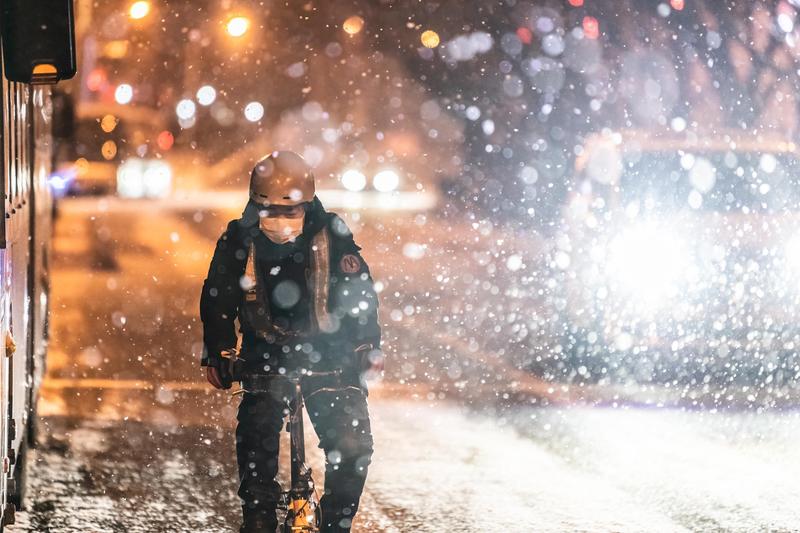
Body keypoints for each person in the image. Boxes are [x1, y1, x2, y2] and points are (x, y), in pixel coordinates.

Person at [200, 151, 382, 533]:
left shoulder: (332, 233)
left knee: (352, 446)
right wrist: (218, 352)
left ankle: (337, 523)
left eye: (290, 212)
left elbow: (359, 294)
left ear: (307, 204)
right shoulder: (238, 237)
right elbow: (219, 295)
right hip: (264, 356)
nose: (280, 223)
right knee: (257, 435)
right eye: (270, 213)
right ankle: (258, 517)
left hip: (329, 355)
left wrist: (365, 346)